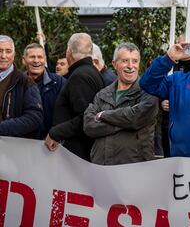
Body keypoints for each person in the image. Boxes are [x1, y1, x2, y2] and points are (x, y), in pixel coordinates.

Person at [83, 43, 158, 165]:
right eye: (125, 61)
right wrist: (123, 123)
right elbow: (89, 126)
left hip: (133, 168)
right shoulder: (102, 94)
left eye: (135, 61)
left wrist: (104, 115)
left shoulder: (149, 92)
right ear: (114, 64)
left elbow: (135, 118)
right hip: (101, 167)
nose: (130, 66)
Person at [45, 33, 105, 161]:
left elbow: (85, 118)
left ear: (69, 51)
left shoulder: (80, 76)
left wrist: (55, 133)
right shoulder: (91, 72)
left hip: (77, 154)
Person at [0, 35, 43, 137]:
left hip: (12, 147)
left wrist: (2, 128)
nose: (3, 55)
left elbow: (34, 117)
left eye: (8, 51)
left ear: (14, 55)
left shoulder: (26, 83)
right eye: (0, 50)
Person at [22, 43, 66, 139]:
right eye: (32, 57)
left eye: (40, 57)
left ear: (45, 59)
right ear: (24, 60)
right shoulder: (16, 83)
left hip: (51, 143)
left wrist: (55, 134)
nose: (36, 61)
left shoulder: (59, 83)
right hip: (22, 142)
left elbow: (65, 113)